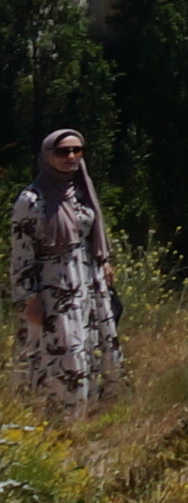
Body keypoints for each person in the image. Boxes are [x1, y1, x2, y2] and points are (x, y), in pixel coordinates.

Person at [12, 130, 120, 417]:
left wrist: (104, 260)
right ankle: (58, 414)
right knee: (64, 346)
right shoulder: (31, 199)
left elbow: (93, 230)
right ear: (48, 155)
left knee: (91, 342)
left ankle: (92, 408)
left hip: (86, 276)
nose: (71, 157)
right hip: (53, 283)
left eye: (77, 150)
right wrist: (29, 297)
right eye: (62, 152)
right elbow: (22, 252)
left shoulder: (81, 189)